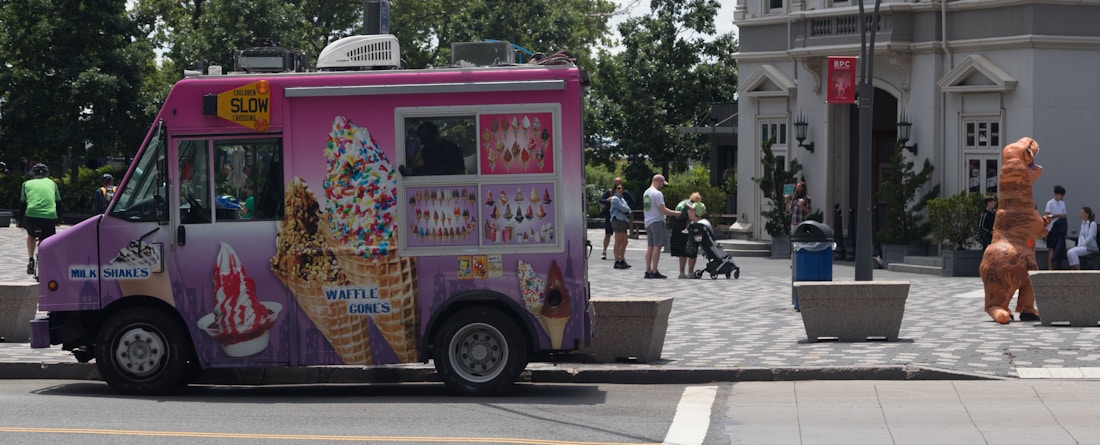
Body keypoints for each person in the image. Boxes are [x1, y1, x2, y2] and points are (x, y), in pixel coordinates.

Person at [21, 164, 61, 275]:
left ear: (33, 173)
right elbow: (58, 203)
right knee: (49, 240)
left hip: (31, 215)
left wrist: (21, 221)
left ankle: (31, 260)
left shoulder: (26, 184)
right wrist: (59, 219)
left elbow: (22, 203)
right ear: (46, 173)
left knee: (31, 236)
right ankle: (48, 261)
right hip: (49, 215)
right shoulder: (52, 184)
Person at [642, 174, 681, 279]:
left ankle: (648, 270)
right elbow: (662, 210)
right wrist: (676, 213)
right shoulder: (657, 194)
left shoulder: (646, 193)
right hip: (657, 221)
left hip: (648, 221)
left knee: (650, 246)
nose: (662, 186)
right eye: (662, 183)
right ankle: (654, 270)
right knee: (657, 246)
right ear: (657, 181)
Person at [671, 192, 705, 278]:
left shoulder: (682, 202)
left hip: (678, 228)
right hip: (687, 229)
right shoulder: (690, 205)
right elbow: (692, 217)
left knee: (682, 252)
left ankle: (682, 272)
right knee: (692, 251)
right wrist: (701, 220)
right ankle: (690, 273)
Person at [599, 177, 633, 260]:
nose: (619, 187)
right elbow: (601, 200)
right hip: (610, 216)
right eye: (616, 184)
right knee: (608, 234)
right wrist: (607, 200)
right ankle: (604, 251)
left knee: (621, 238)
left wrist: (628, 210)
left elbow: (632, 201)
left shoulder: (624, 193)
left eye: (619, 183)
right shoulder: (609, 192)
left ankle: (620, 254)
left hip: (621, 218)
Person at [609, 184, 633, 269]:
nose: (621, 190)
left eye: (622, 188)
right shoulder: (615, 199)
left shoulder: (622, 199)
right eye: (619, 188)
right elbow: (623, 208)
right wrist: (627, 210)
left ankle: (622, 259)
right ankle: (616, 261)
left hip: (623, 221)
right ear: (615, 190)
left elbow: (628, 209)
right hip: (617, 220)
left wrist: (627, 210)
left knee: (625, 241)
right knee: (618, 241)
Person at [1044, 185, 1068, 270]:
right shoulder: (1050, 203)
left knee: (1059, 247)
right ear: (1057, 194)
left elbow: (1064, 215)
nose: (1062, 197)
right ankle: (1050, 268)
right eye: (1061, 195)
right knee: (1051, 248)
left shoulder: (1062, 204)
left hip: (1060, 228)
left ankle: (1058, 265)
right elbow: (1047, 216)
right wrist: (1057, 215)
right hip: (1051, 228)